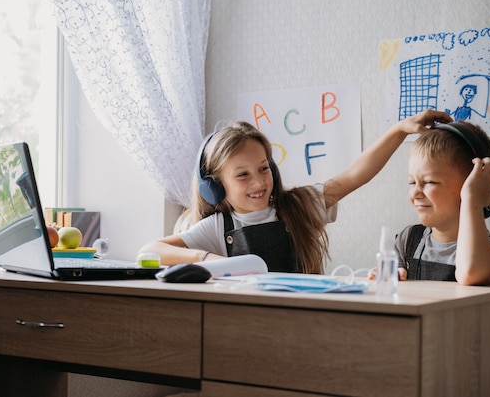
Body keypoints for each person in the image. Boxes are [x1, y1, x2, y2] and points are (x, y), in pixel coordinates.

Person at [137, 109, 452, 274]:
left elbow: (356, 174)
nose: (259, 182)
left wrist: (398, 130)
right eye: (242, 175)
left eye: (264, 168)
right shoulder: (216, 230)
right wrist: (205, 258)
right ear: (217, 185)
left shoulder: (300, 206)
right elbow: (148, 251)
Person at [392, 121, 490, 285]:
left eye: (430, 182)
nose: (415, 193)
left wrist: (471, 198)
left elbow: (470, 273)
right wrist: (385, 277)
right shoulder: (408, 239)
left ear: (472, 185)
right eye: (412, 182)